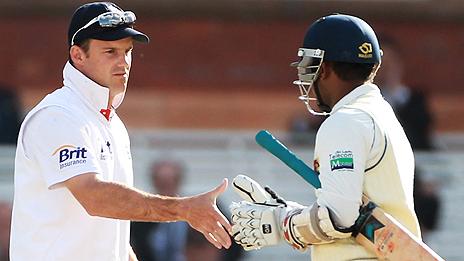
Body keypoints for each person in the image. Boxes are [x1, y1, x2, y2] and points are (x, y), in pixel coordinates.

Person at [9, 2, 231, 261]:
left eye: (127, 51)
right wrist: (183, 209)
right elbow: (94, 198)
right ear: (78, 55)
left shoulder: (111, 123)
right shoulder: (56, 115)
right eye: (110, 51)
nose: (123, 62)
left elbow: (110, 229)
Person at [230, 14, 421, 260]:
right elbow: (352, 212)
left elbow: (339, 217)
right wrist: (290, 212)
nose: (306, 77)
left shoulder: (345, 122)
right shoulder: (382, 115)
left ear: (325, 68)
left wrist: (280, 223)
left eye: (309, 66)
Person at [375, 37, 435, 150]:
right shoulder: (365, 102)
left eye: (390, 63)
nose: (385, 71)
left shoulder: (416, 100)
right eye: (381, 65)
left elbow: (420, 136)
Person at [131, 160, 189, 261]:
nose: (166, 188)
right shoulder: (140, 219)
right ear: (154, 182)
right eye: (162, 183)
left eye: (170, 182)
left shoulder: (195, 213)